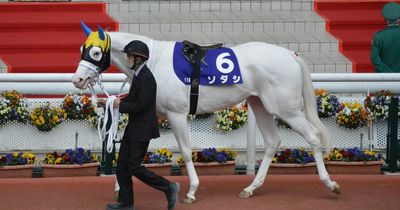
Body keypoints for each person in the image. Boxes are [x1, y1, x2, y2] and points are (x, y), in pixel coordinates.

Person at [98, 40, 179, 210]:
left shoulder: (147, 78)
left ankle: (169, 187)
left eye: (129, 56)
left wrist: (119, 105)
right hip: (134, 128)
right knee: (122, 167)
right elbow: (134, 100)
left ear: (138, 59)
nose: (127, 59)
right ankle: (126, 203)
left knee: (133, 166)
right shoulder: (138, 75)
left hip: (142, 130)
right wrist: (109, 102)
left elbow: (141, 105)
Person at [371, 2, 400, 73]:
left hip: (383, 78)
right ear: (399, 19)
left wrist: (388, 72)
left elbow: (374, 58)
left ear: (385, 19)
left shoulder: (379, 36)